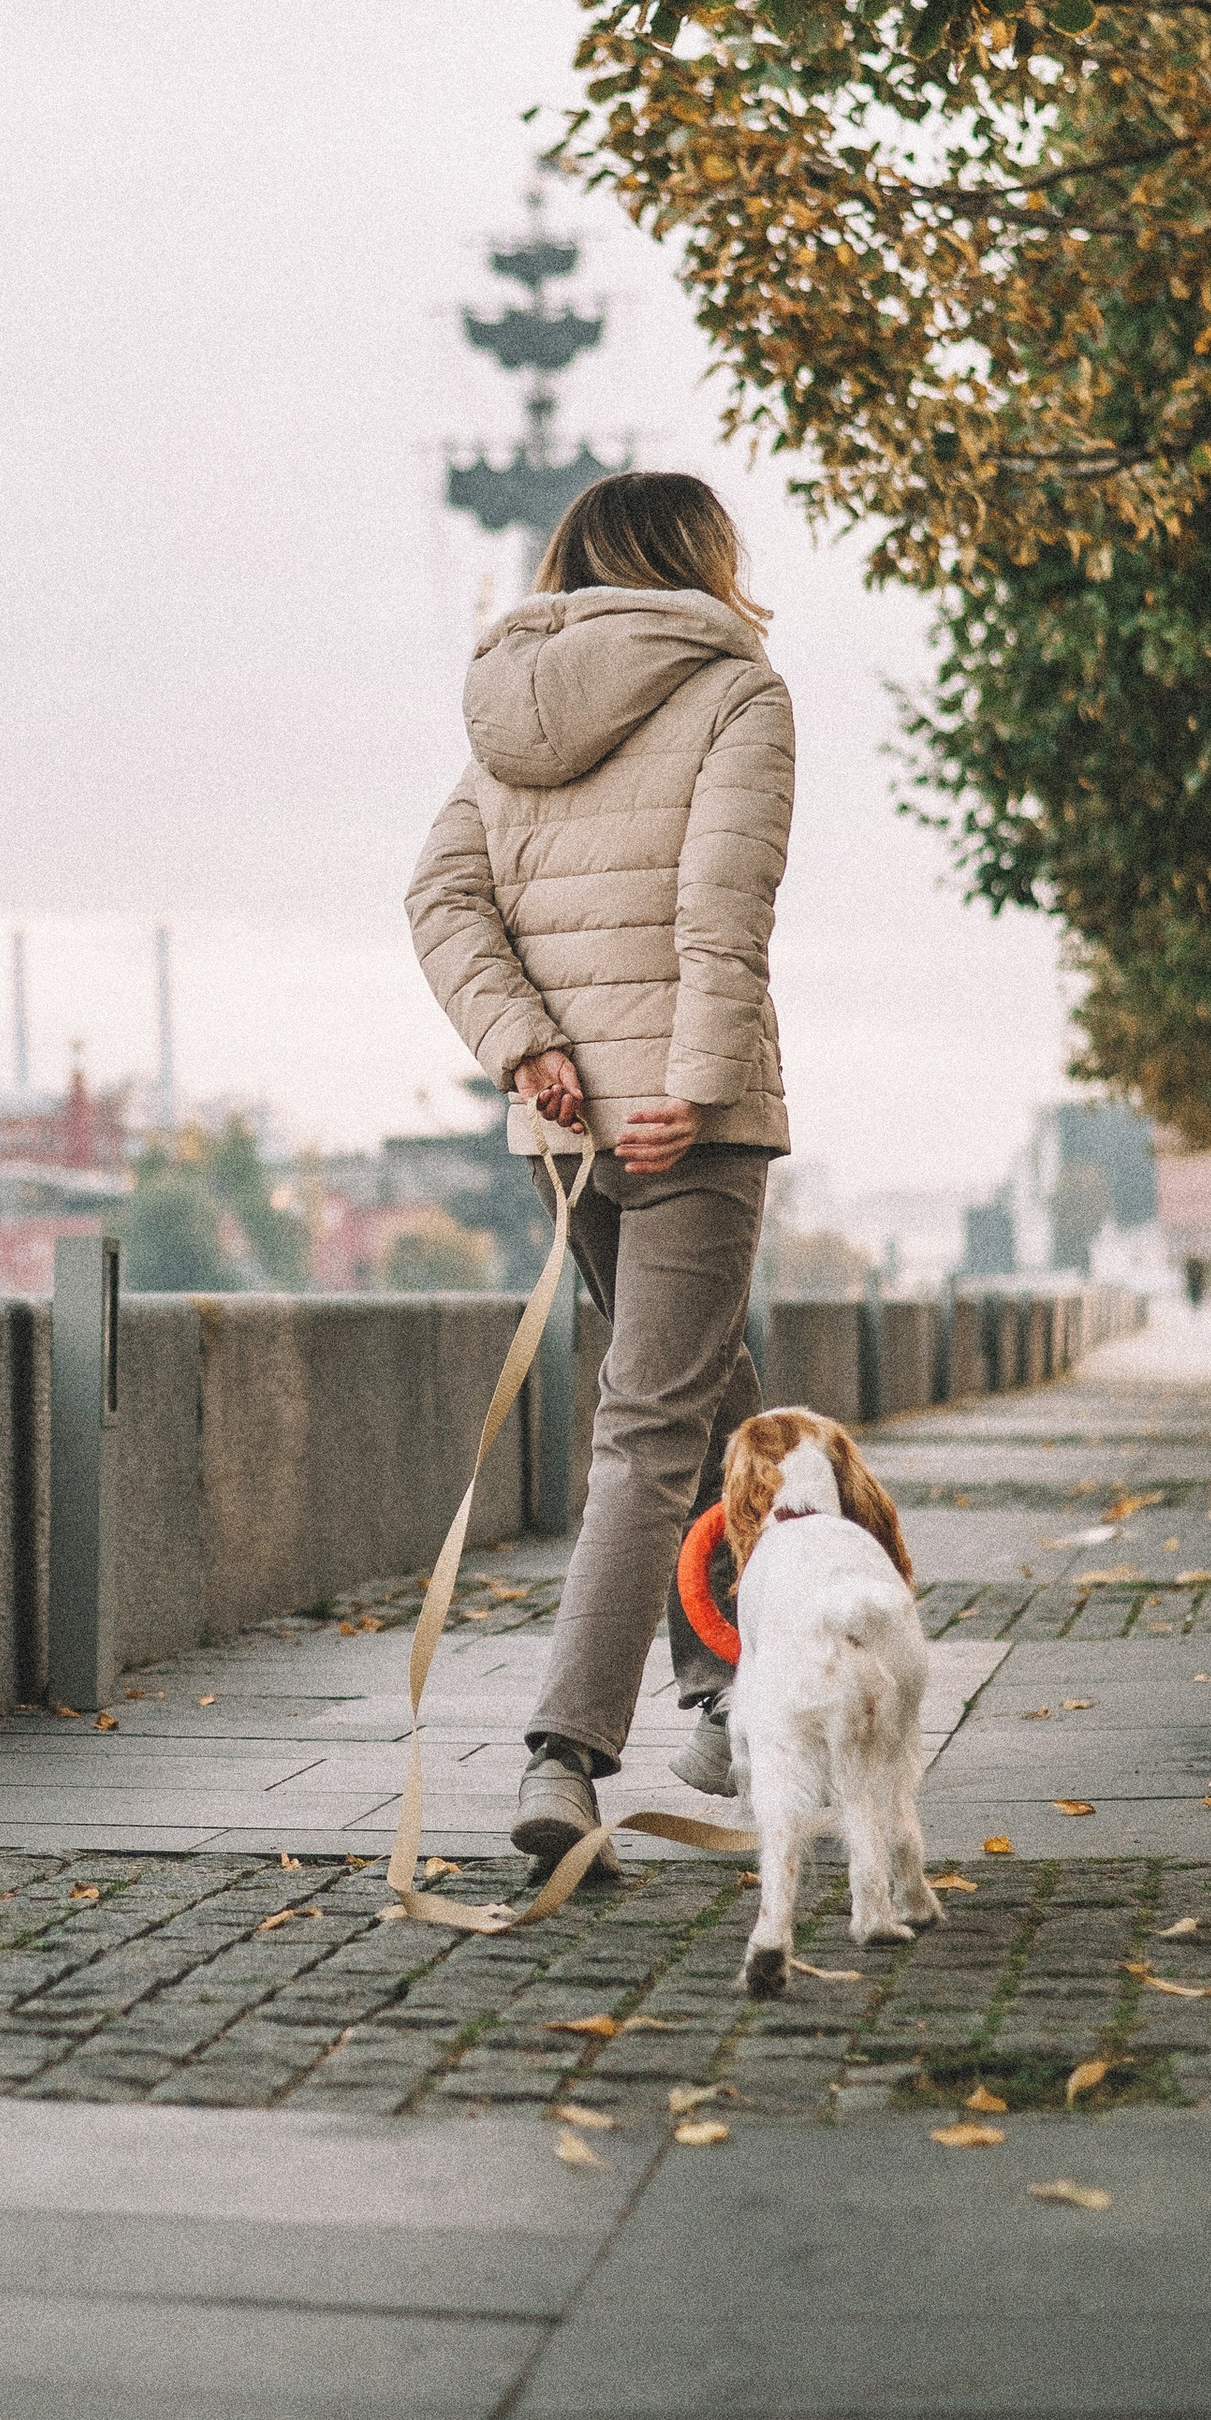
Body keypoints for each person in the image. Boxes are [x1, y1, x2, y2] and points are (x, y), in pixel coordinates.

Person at [406, 468, 794, 1866]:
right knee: (651, 1427)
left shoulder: (514, 704)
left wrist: (525, 1050)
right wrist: (690, 1088)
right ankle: (563, 1756)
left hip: (569, 1131)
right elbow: (722, 902)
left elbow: (440, 895)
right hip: (687, 1129)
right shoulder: (735, 686)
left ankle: (734, 1693)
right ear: (700, 559)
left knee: (703, 1397)